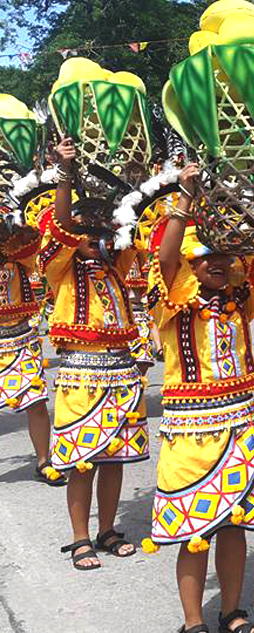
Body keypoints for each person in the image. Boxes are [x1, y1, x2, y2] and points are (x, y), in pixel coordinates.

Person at [144, 163, 254, 633]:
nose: (218, 263)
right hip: (192, 432)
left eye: (225, 254)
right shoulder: (171, 302)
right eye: (206, 257)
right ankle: (192, 621)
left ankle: (232, 611)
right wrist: (184, 196)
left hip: (242, 425)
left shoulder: (240, 299)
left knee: (234, 523)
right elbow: (165, 258)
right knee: (194, 531)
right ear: (189, 264)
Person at [42, 137, 147, 569]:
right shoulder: (61, 267)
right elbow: (62, 224)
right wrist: (66, 177)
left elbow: (133, 230)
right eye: (84, 232)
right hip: (80, 373)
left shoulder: (116, 266)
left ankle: (107, 529)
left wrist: (140, 186)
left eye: (99, 231)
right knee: (82, 460)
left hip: (122, 371)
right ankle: (80, 537)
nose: (91, 238)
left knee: (115, 457)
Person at [0, 223, 62, 486]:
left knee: (36, 401)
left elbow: (36, 238)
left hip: (22, 337)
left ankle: (43, 461)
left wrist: (11, 233)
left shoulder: (17, 254)